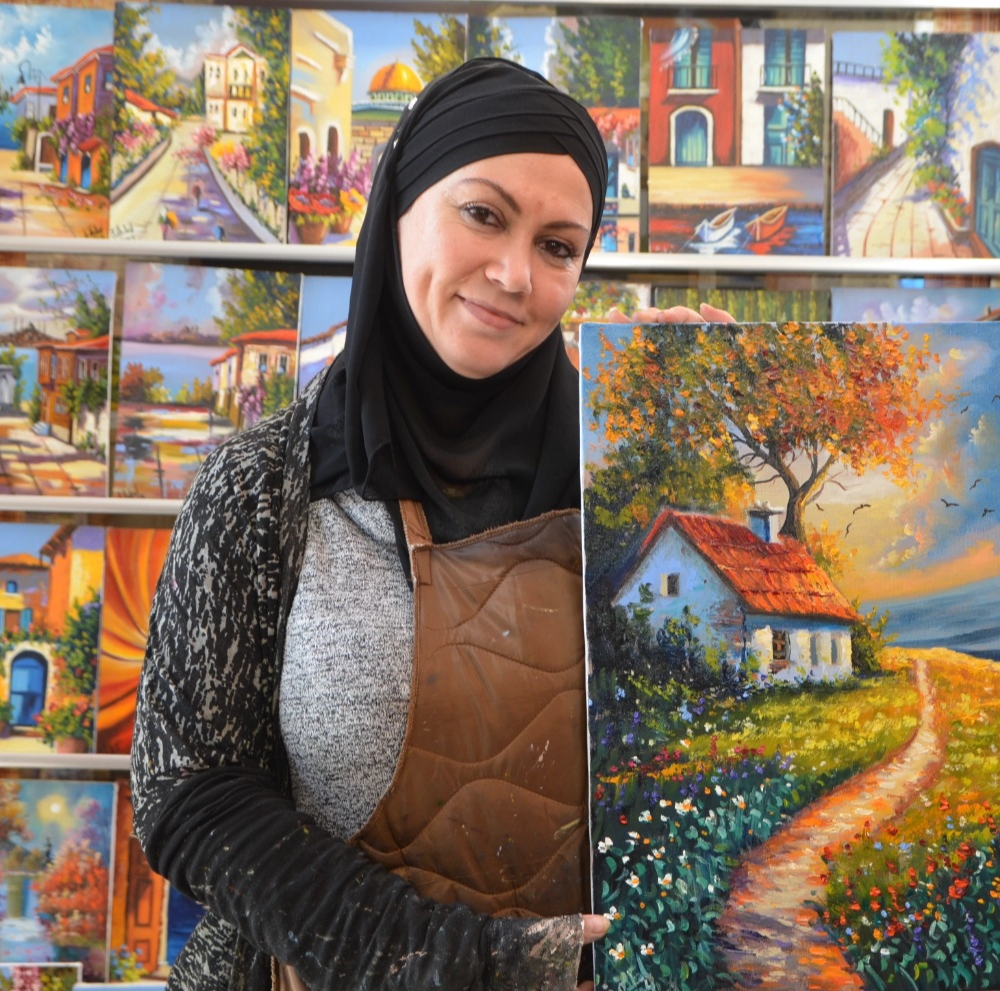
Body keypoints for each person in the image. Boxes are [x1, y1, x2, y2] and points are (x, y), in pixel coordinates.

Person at [129, 59, 730, 991]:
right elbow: (187, 792)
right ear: (400, 201)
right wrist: (460, 964)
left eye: (558, 246)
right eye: (484, 214)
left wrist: (697, 445)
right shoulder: (262, 488)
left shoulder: (618, 477)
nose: (514, 274)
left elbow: (711, 718)